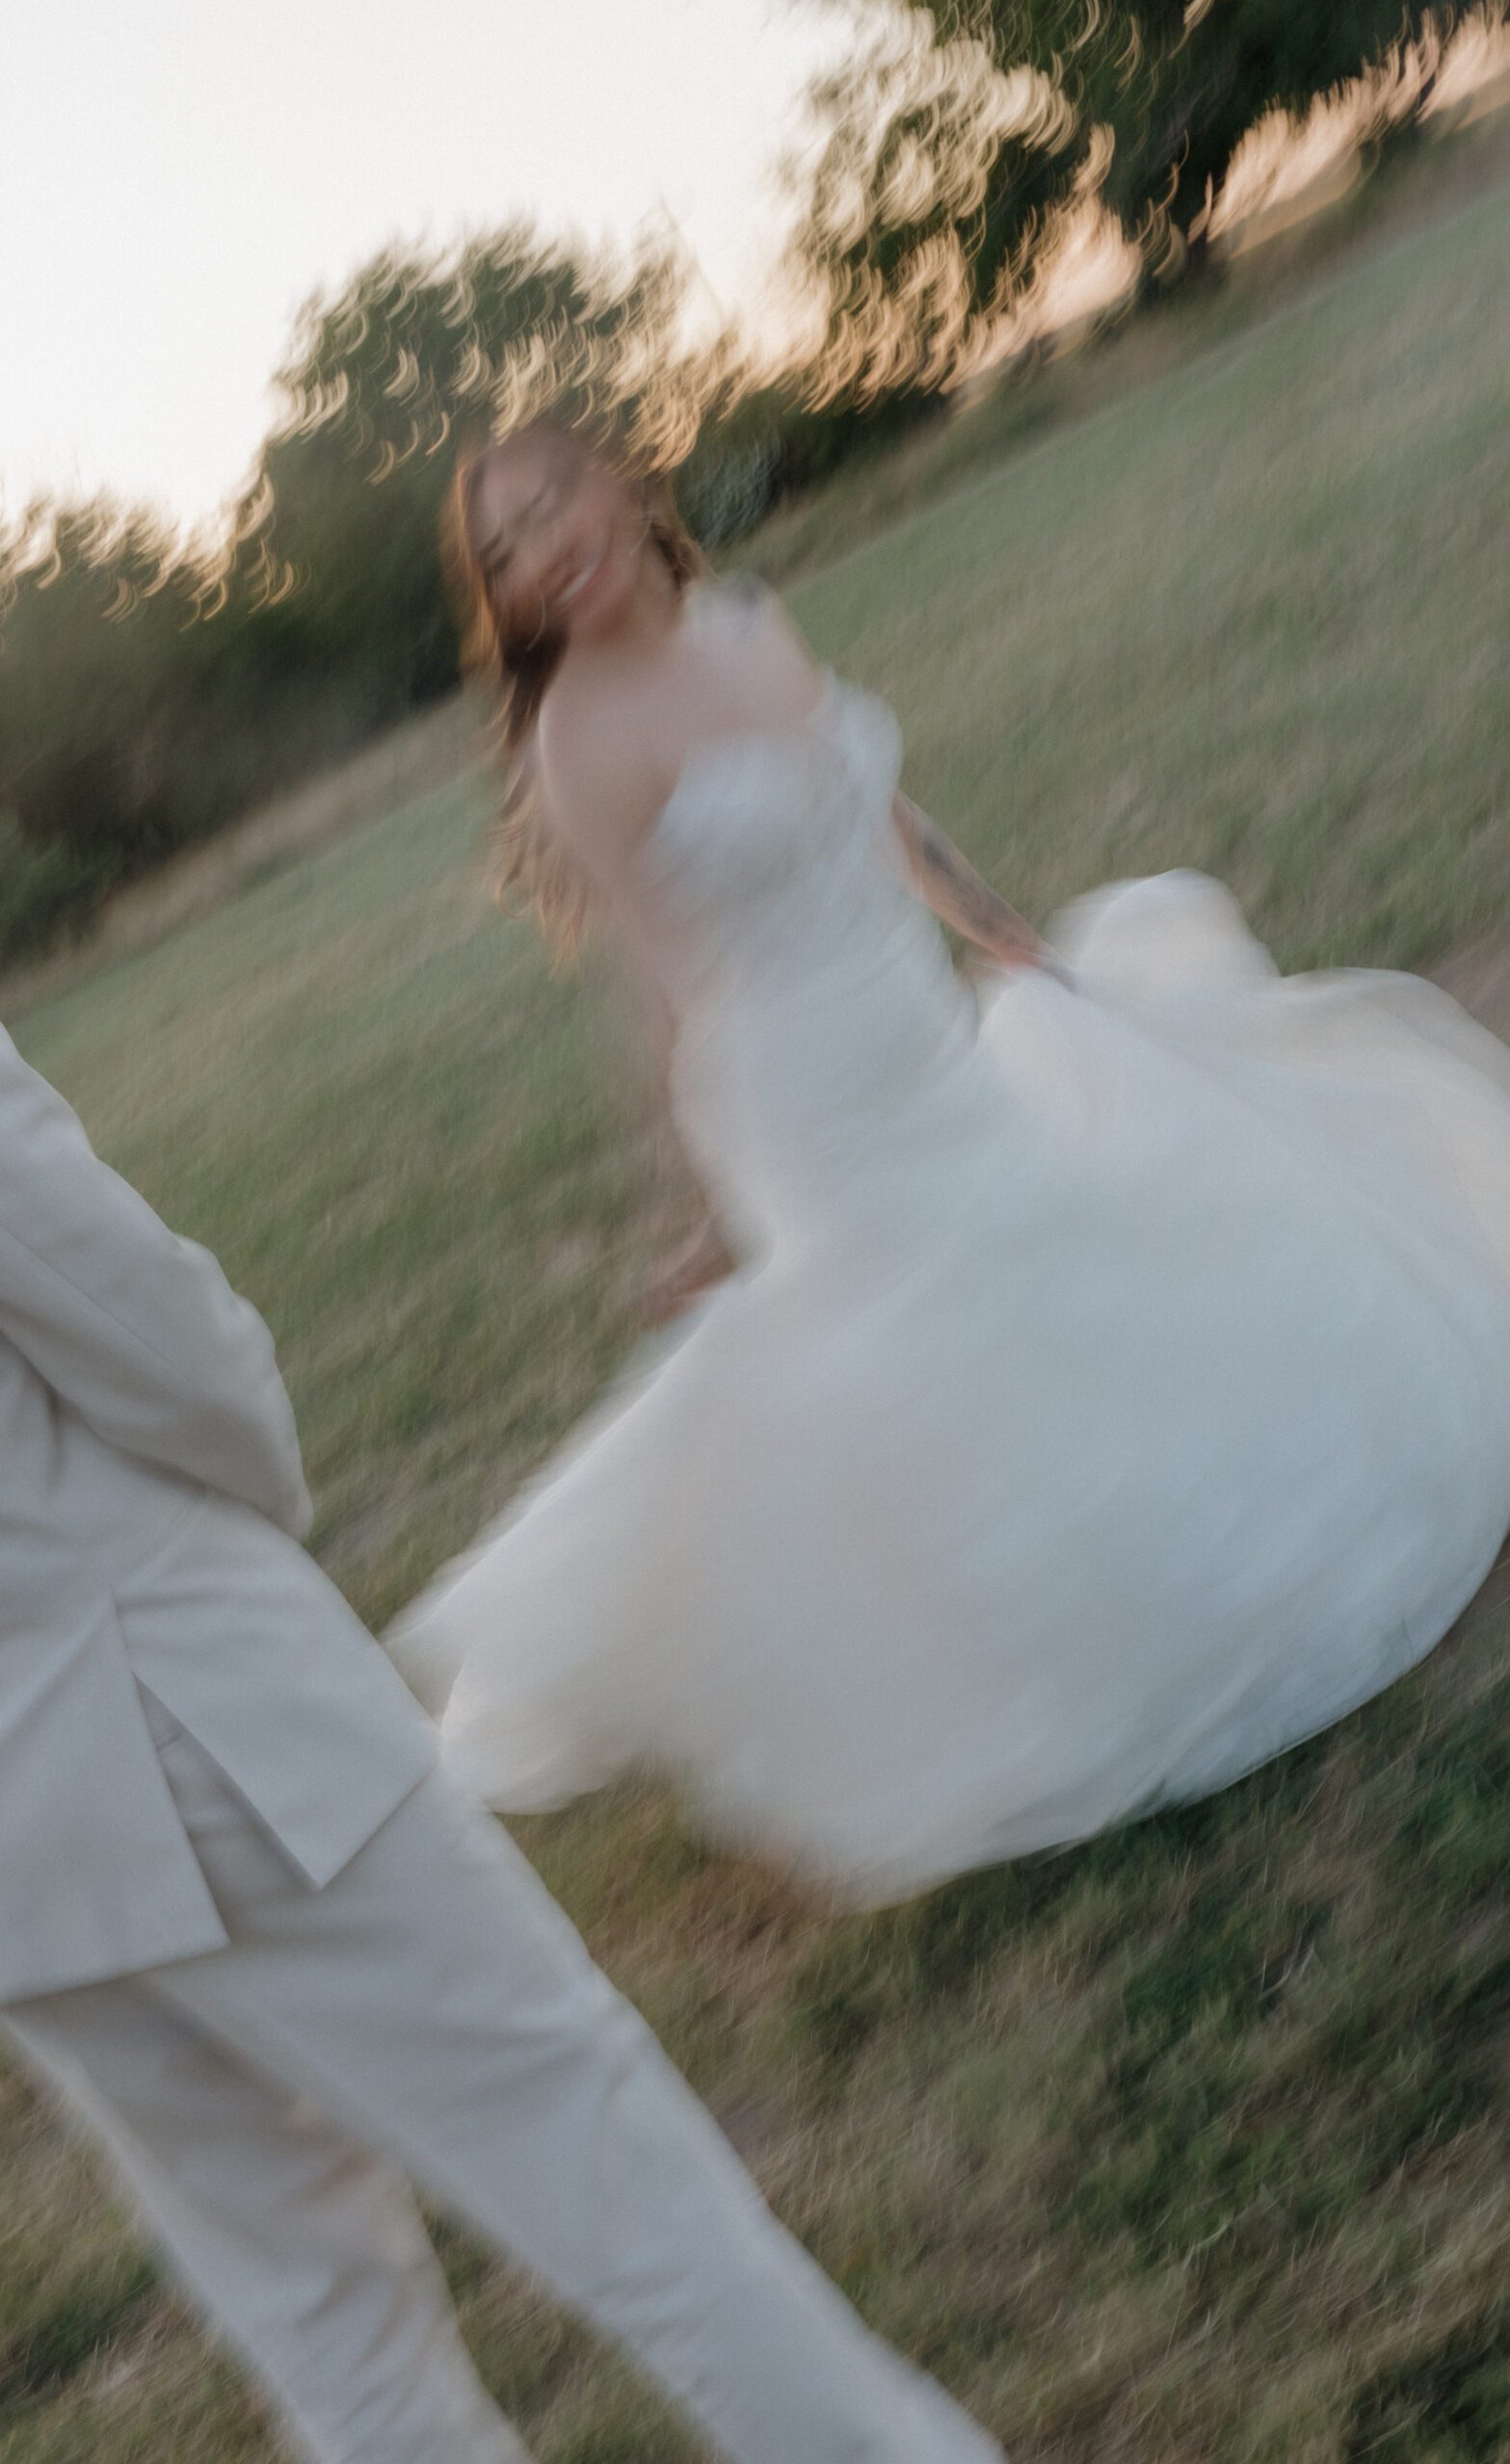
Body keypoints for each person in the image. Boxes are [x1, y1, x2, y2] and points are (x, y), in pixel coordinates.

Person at [390, 417, 1510, 1910]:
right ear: (505, 594)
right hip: (807, 1097)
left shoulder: (747, 623)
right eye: (503, 547)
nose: (542, 550)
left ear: (616, 478)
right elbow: (664, 998)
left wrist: (997, 929)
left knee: (1062, 1256)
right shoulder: (579, 735)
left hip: (919, 1026)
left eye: (548, 504)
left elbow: (869, 805)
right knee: (924, 1329)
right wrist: (691, 1207)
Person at [0, 1023, 1004, 2464]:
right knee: (602, 2161)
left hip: (23, 1859)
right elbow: (145, 1325)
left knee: (311, 2307)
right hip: (181, 1690)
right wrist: (237, 1522)